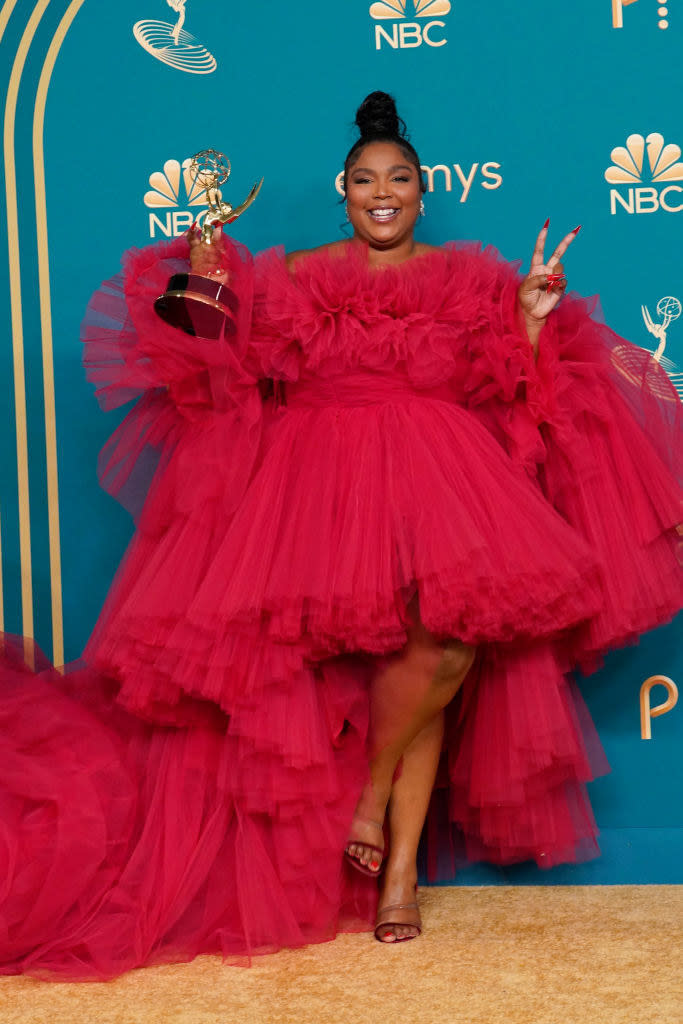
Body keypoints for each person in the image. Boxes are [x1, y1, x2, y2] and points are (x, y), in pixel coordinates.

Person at [0, 91, 680, 976]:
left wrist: (528, 320)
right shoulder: (291, 275)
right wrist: (202, 271)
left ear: (423, 192)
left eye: (399, 178)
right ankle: (389, 878)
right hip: (317, 489)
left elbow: (506, 386)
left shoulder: (469, 279)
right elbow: (221, 366)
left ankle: (378, 835)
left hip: (440, 480)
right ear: (344, 191)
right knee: (380, 672)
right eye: (366, 180)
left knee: (441, 656)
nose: (382, 192)